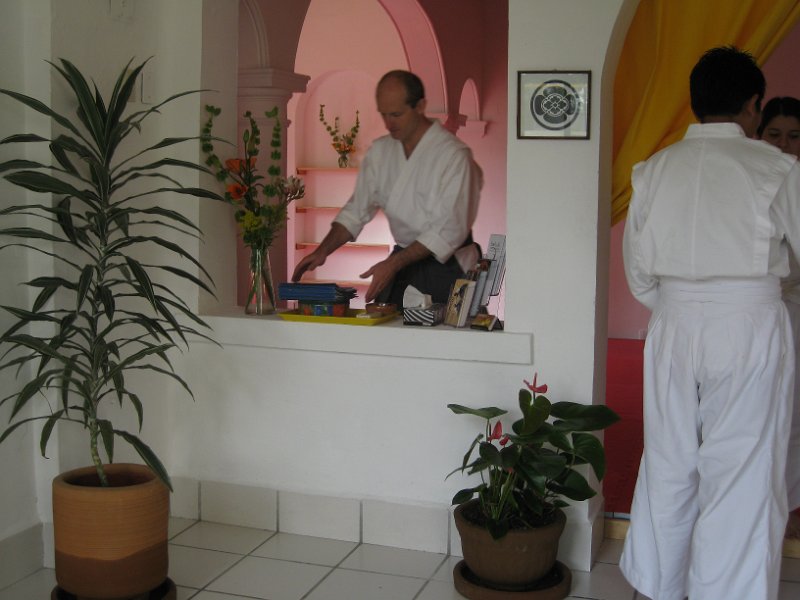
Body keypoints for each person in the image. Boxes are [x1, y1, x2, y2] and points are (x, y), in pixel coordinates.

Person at [620, 46, 800, 600]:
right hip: (748, 322)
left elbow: (639, 272)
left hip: (673, 322)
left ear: (696, 102)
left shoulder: (653, 170)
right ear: (753, 105)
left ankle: (660, 587)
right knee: (743, 469)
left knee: (669, 459)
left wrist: (682, 302)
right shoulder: (778, 168)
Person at [291, 70, 481, 307]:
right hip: (403, 260)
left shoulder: (454, 156)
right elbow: (355, 212)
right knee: (387, 325)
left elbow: (446, 231)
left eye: (397, 114)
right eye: (384, 114)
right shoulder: (381, 152)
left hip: (447, 266)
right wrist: (322, 251)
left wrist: (392, 264)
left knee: (439, 330)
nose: (389, 123)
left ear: (420, 106)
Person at [759, 95, 800, 539]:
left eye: (793, 136)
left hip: (795, 308)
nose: (784, 145)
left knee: (793, 412)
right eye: (775, 134)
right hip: (758, 311)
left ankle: (787, 503)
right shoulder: (748, 181)